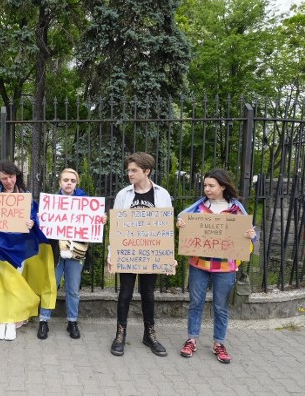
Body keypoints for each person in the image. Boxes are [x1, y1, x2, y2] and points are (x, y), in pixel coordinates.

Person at [177, 168, 256, 364]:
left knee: (221, 307)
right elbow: (186, 226)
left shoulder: (236, 210)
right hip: (198, 264)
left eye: (211, 185)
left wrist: (250, 235)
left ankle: (218, 343)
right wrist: (182, 225)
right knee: (196, 304)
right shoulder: (198, 208)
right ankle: (192, 339)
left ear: (222, 186)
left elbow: (251, 234)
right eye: (205, 185)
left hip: (225, 267)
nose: (207, 189)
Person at [0, 160, 56, 341]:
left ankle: (12, 320)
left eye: (10, 177)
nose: (8, 181)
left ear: (16, 175)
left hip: (18, 248)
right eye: (4, 178)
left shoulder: (25, 196)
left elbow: (35, 219)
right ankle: (2, 320)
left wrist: (32, 223)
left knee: (13, 282)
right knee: (0, 284)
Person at [107, 152, 171, 357]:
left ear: (147, 171)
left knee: (148, 294)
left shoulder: (161, 194)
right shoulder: (123, 195)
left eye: (134, 170)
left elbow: (166, 229)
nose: (130, 174)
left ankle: (149, 334)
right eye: (128, 170)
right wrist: (112, 253)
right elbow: (116, 228)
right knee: (124, 293)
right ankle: (120, 334)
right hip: (127, 252)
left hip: (151, 254)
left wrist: (168, 257)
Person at [37, 168, 98, 340]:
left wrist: (100, 220)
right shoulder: (51, 202)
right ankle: (44, 320)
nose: (69, 183)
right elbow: (43, 227)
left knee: (73, 289)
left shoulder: (84, 201)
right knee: (51, 286)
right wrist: (40, 218)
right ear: (60, 182)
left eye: (72, 180)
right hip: (55, 251)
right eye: (65, 180)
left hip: (76, 251)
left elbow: (92, 223)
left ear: (76, 183)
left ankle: (72, 321)